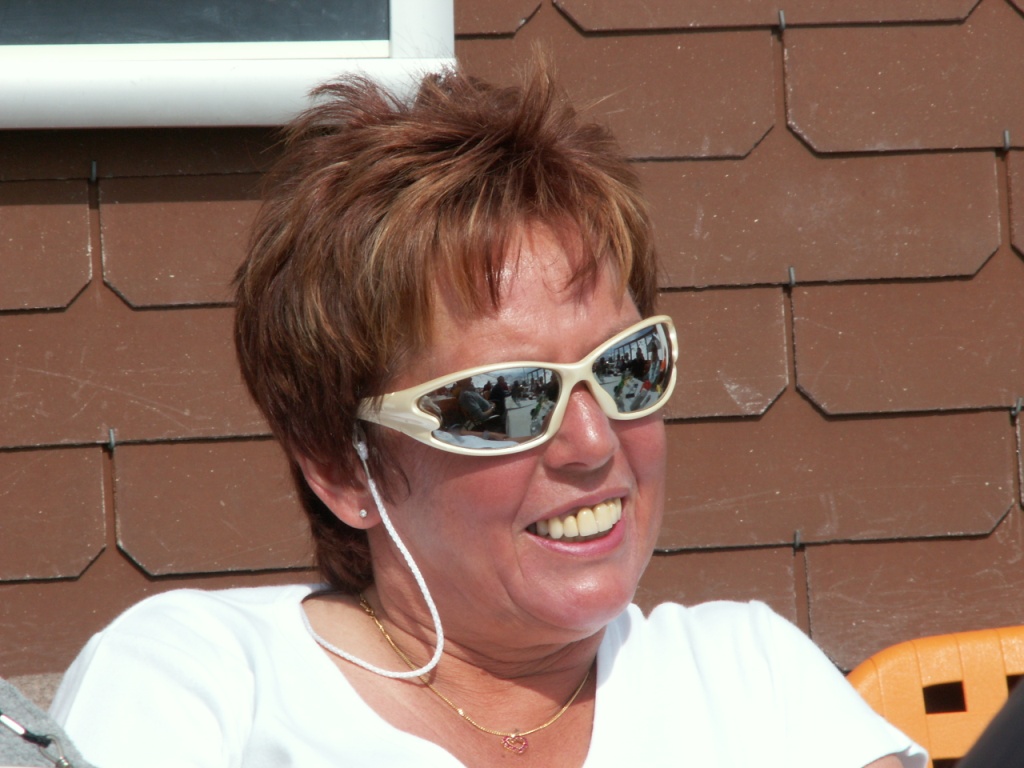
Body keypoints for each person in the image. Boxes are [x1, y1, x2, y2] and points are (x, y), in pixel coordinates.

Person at [48, 62, 926, 767]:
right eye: (508, 399)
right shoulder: (201, 682)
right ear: (342, 465)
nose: (592, 443)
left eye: (625, 368)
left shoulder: (750, 679)